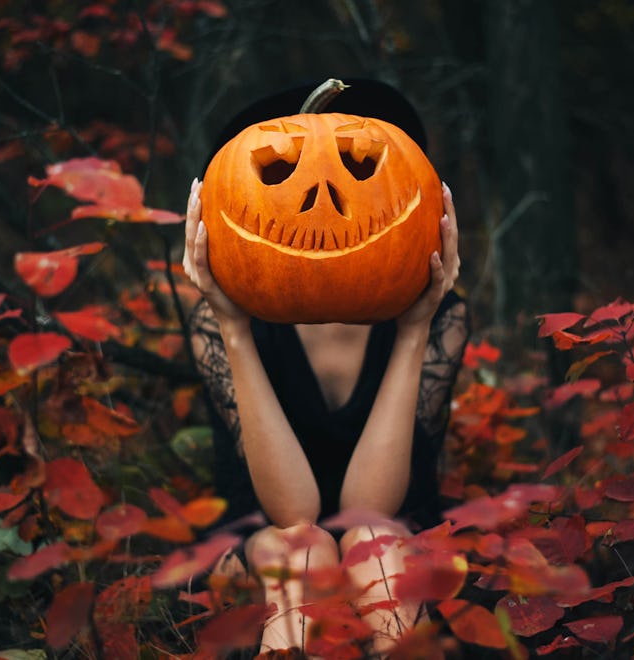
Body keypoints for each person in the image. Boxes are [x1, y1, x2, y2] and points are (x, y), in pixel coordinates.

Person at [183, 81, 469, 656]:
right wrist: (233, 326)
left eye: (361, 166)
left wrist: (415, 329)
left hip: (393, 534)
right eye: (279, 172)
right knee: (302, 549)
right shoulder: (225, 320)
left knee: (375, 540)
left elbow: (369, 508)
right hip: (263, 541)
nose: (324, 198)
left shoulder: (438, 318)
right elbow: (295, 514)